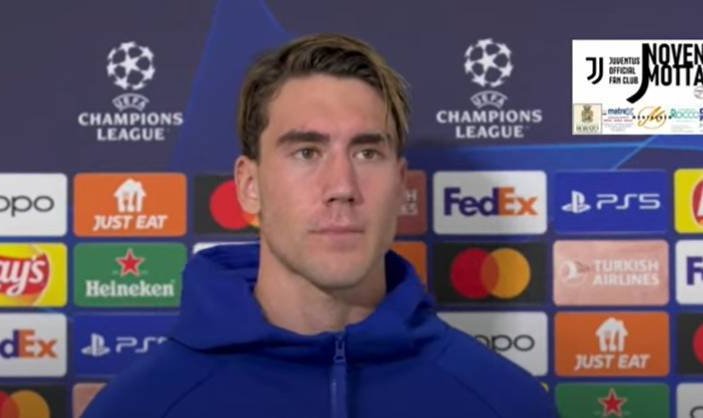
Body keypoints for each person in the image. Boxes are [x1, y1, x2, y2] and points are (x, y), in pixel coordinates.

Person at [82, 33, 557, 418]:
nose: (342, 186)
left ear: (400, 186)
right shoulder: (139, 407)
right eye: (307, 152)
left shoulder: (506, 404)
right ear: (249, 186)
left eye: (367, 153)